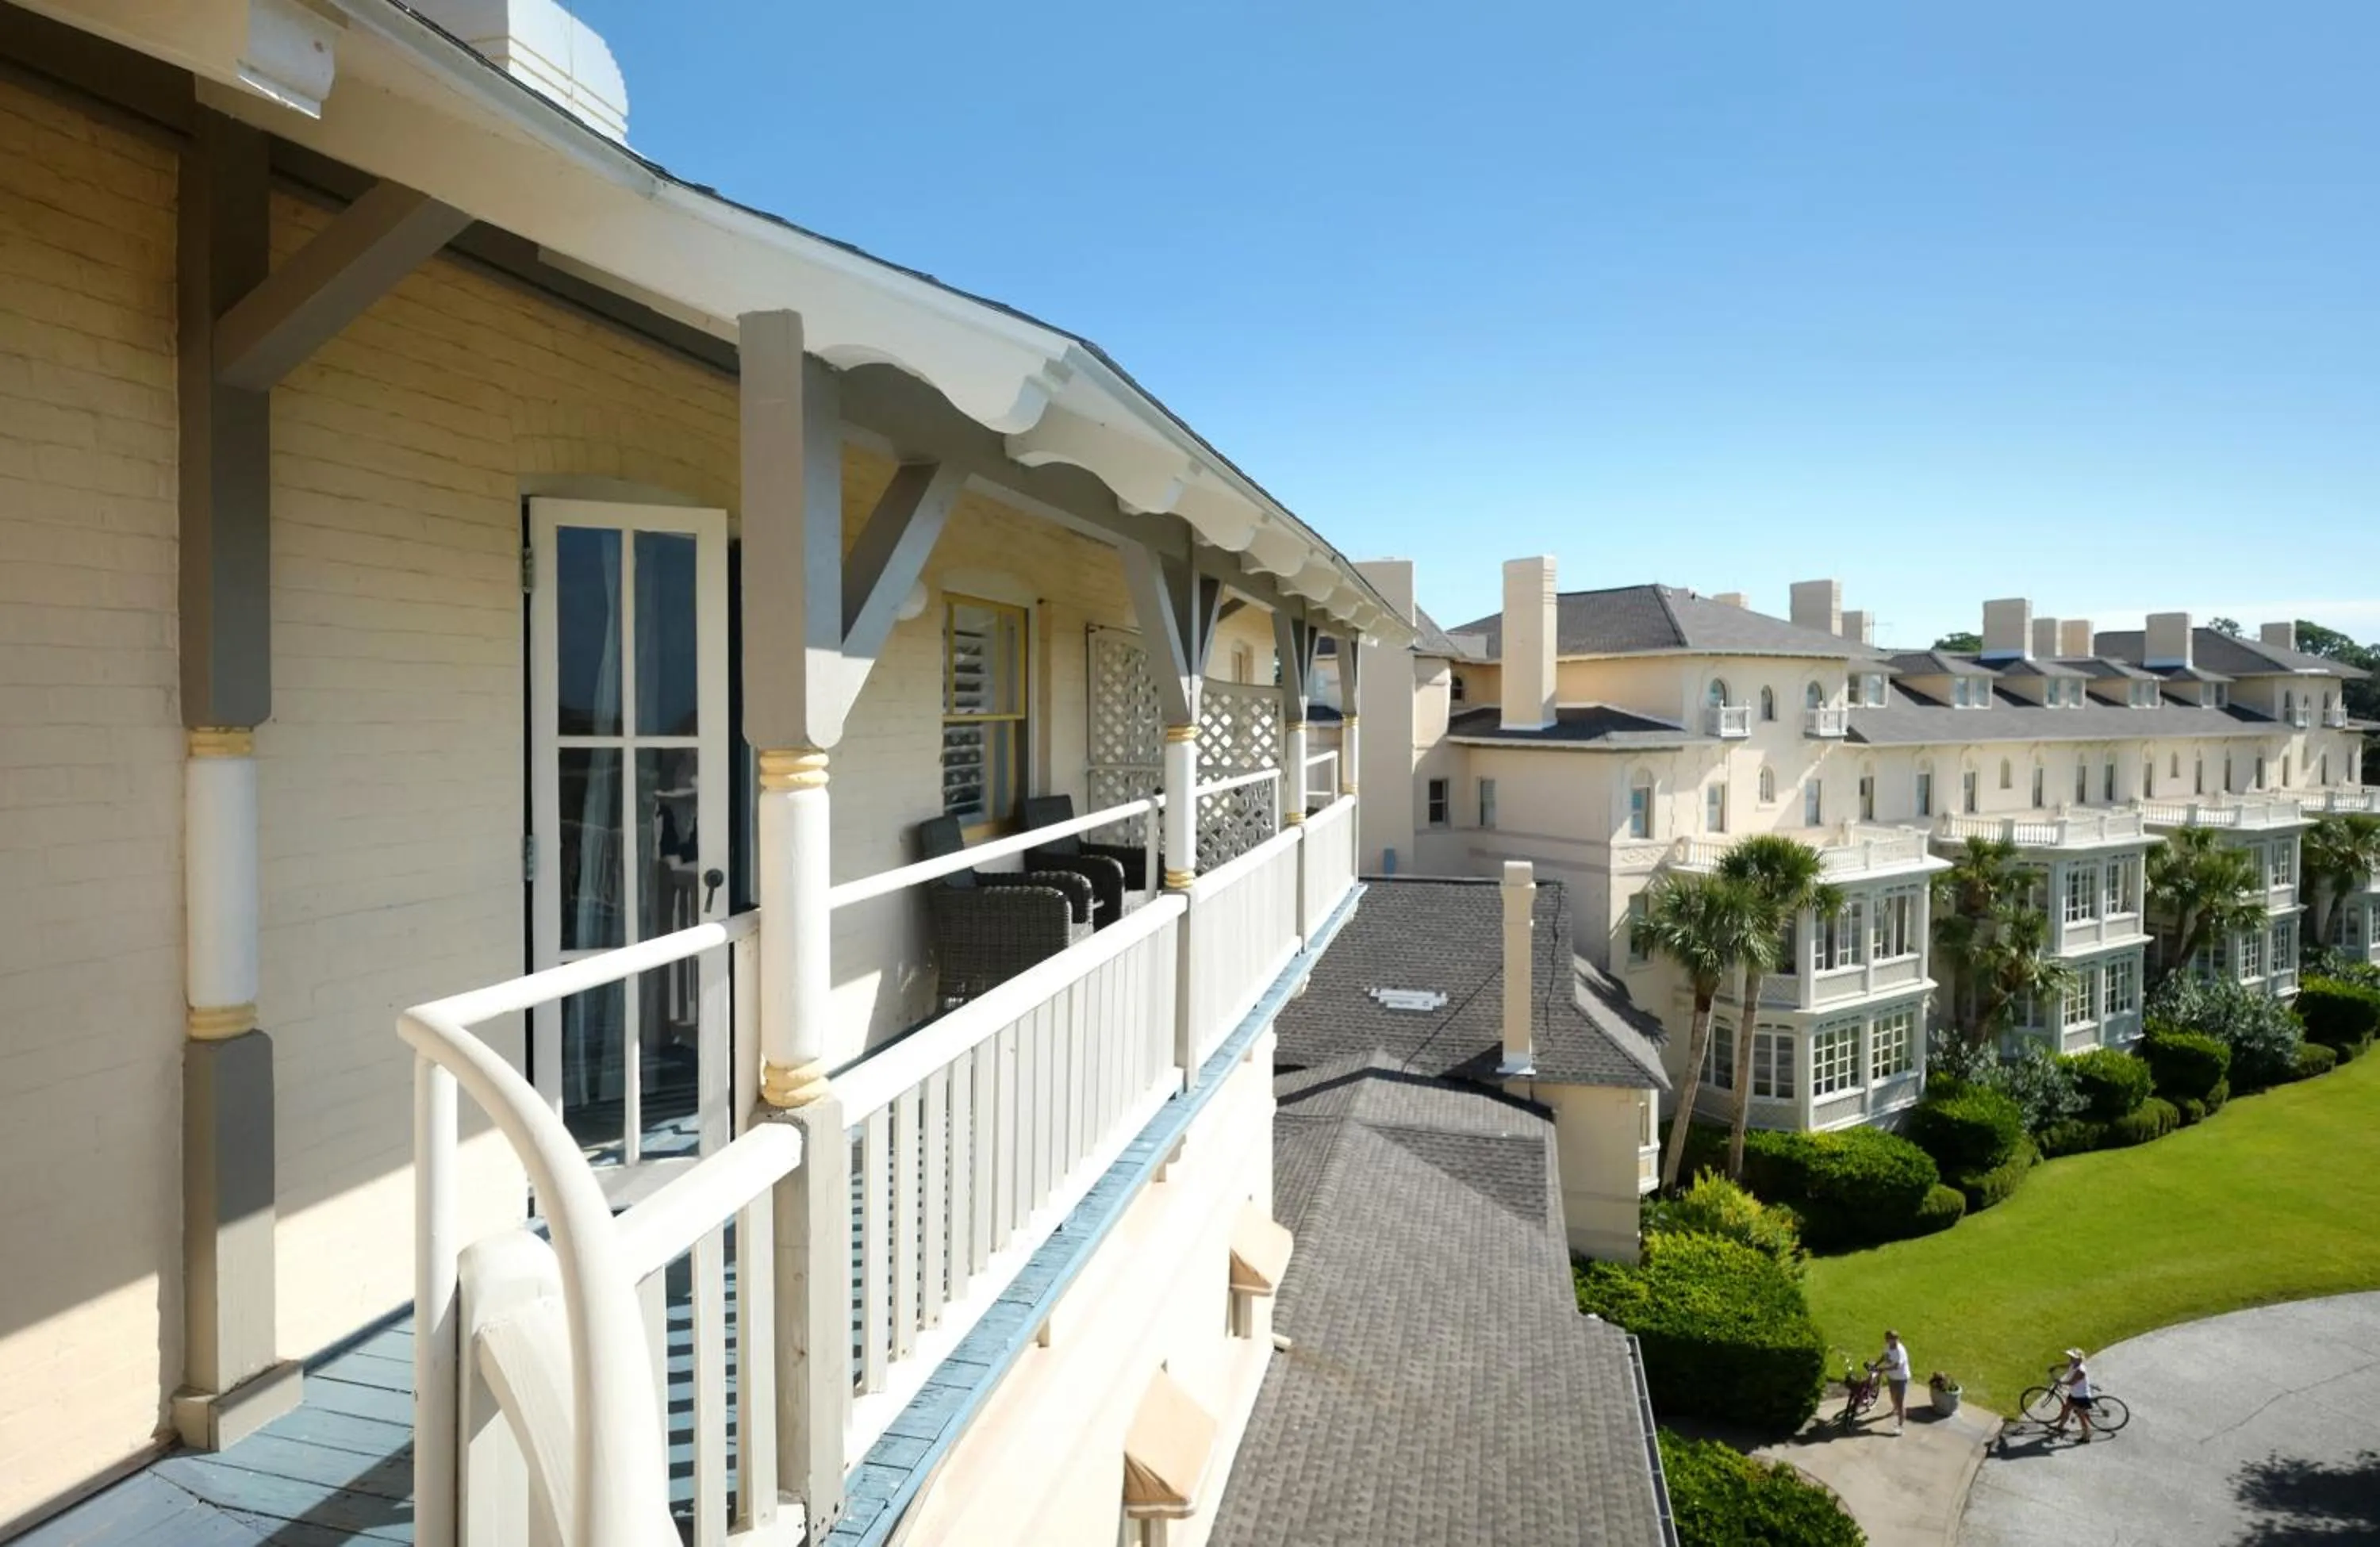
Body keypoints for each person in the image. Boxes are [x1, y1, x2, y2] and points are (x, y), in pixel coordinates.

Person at [2051, 1348, 2097, 1442]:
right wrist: (2056, 1366)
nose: (2070, 1358)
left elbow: (2072, 1382)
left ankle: (2086, 1436)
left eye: (2073, 1357)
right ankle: (2060, 1427)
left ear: (2079, 1359)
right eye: (2070, 1357)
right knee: (2067, 1409)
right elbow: (2067, 1365)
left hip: (2081, 1397)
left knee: (2081, 1417)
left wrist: (2060, 1382)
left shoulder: (2081, 1371)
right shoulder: (2074, 1364)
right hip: (2074, 1394)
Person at [1876, 1330, 1913, 1435]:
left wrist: (1883, 1369)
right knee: (1893, 1397)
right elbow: (1885, 1356)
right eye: (1886, 1338)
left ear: (1895, 1339)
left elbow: (1897, 1366)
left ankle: (1900, 1426)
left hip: (1901, 1378)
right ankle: (1895, 1408)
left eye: (1889, 1339)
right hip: (1892, 1377)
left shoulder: (1900, 1351)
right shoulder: (1888, 1346)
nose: (1887, 1341)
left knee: (1900, 1402)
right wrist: (1877, 1364)